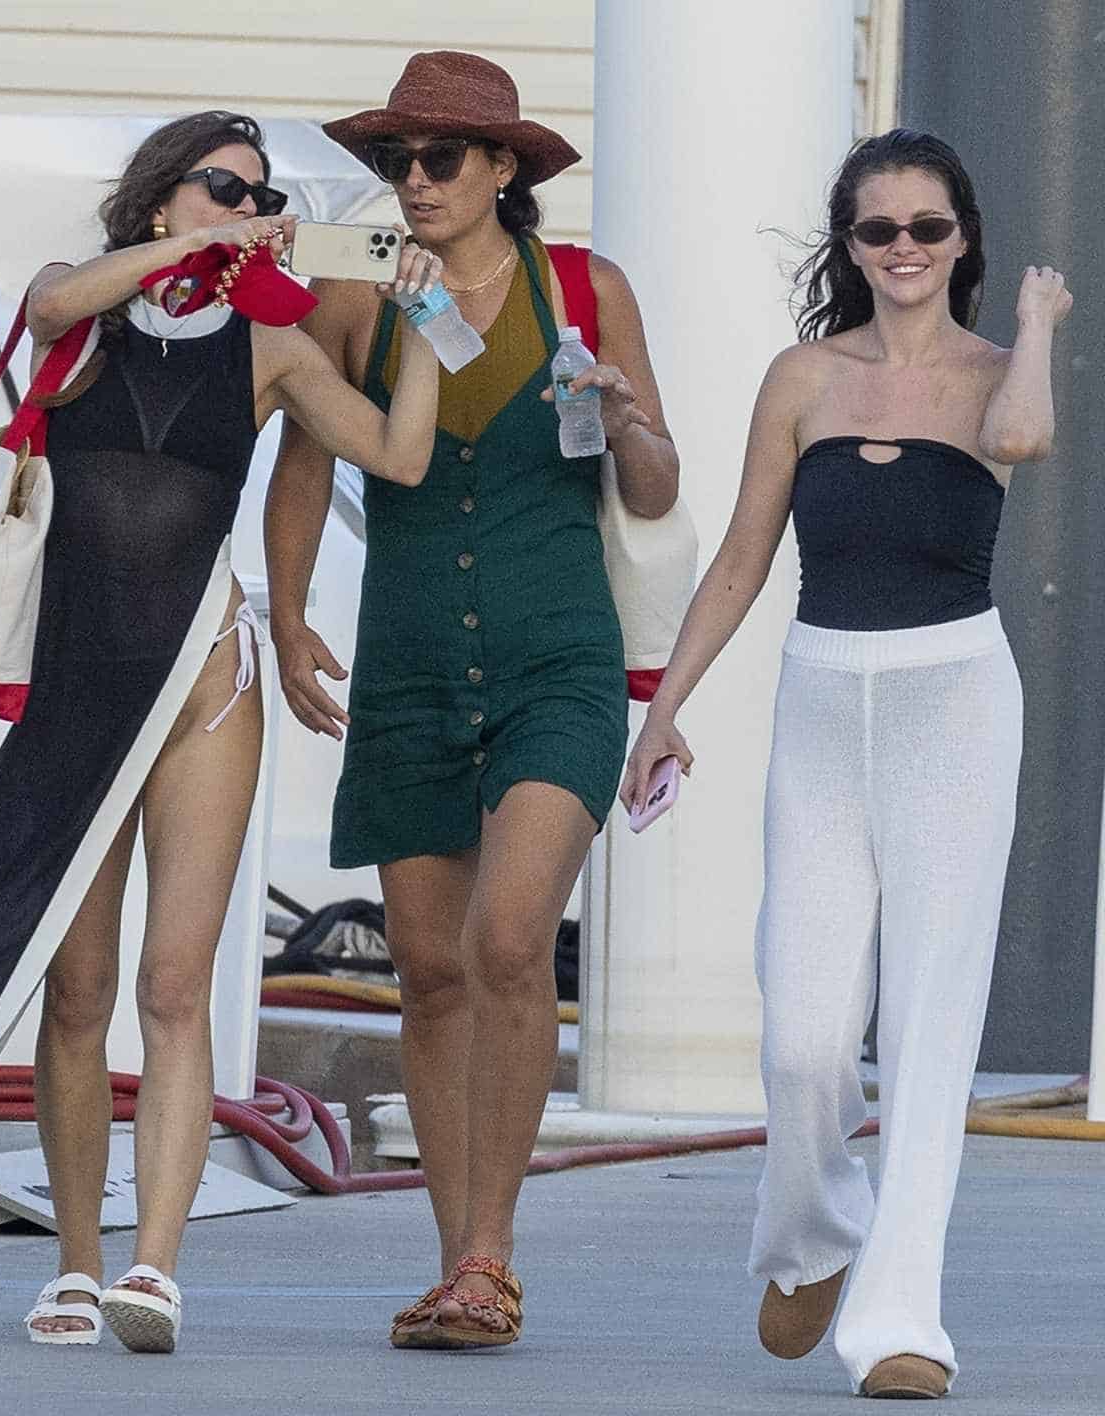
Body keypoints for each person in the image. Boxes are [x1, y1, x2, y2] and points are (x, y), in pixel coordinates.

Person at [0, 109, 441, 1352]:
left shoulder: (274, 342)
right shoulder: (79, 308)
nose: (251, 211)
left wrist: (417, 322)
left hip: (203, 676)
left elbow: (397, 455)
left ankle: (153, 1266)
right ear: (161, 198)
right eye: (224, 188)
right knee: (77, 987)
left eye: (263, 196)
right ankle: (76, 1265)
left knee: (171, 983)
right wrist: (185, 252)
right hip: (78, 685)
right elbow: (50, 304)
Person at [622, 128, 1071, 1400]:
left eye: (929, 227)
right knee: (806, 1034)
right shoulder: (802, 378)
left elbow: (1024, 442)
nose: (904, 248)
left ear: (962, 238)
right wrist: (663, 707)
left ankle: (900, 1321)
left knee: (931, 1020)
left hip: (955, 701)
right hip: (822, 699)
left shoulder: (997, 372)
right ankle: (812, 1230)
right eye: (880, 229)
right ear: (851, 245)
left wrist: (1036, 326)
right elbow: (741, 557)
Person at [265, 50, 678, 1348]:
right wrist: (289, 614)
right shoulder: (357, 298)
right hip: (409, 666)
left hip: (560, 659)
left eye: (441, 157)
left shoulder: (583, 289)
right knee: (431, 970)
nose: (415, 180)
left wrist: (624, 418)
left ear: (505, 168)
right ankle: (459, 1265)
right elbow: (301, 458)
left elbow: (657, 487)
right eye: (398, 159)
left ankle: (492, 1256)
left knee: (508, 939)